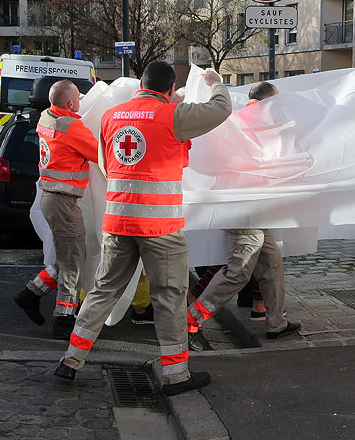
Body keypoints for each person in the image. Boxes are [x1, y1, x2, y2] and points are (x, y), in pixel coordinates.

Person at [54, 61, 231, 396]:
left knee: (103, 292)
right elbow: (221, 108)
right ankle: (177, 376)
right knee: (169, 298)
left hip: (118, 222)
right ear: (169, 89)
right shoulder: (173, 115)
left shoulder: (112, 116)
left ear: (141, 85)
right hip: (160, 227)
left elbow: (106, 166)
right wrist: (214, 81)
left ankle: (71, 360)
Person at [186, 81, 300, 352]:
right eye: (276, 101)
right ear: (266, 101)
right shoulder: (259, 121)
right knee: (238, 272)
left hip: (254, 207)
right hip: (243, 208)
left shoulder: (241, 120)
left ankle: (276, 323)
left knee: (272, 265)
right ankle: (191, 318)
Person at [14, 80, 97, 339]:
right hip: (64, 202)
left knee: (68, 256)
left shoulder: (46, 118)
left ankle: (31, 293)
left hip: (51, 198)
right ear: (71, 104)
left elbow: (62, 105)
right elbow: (100, 153)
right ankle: (63, 320)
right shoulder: (71, 126)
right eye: (78, 101)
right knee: (73, 262)